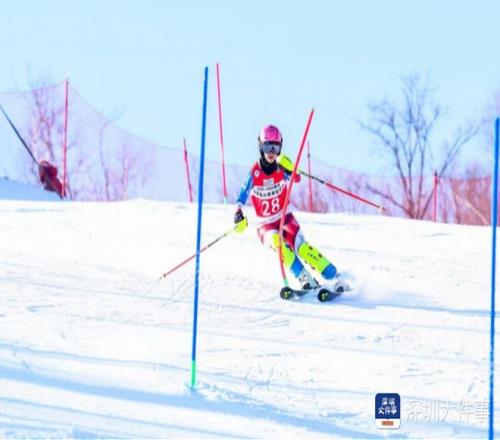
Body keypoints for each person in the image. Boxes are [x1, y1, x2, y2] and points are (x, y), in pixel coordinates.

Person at [233, 124, 337, 289]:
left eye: (275, 148)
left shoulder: (281, 168)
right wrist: (238, 213)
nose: (271, 152)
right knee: (280, 246)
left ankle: (333, 275)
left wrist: (291, 168)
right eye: (267, 147)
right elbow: (242, 196)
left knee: (303, 249)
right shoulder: (255, 173)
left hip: (285, 217)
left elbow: (297, 178)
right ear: (260, 147)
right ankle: (305, 279)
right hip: (265, 225)